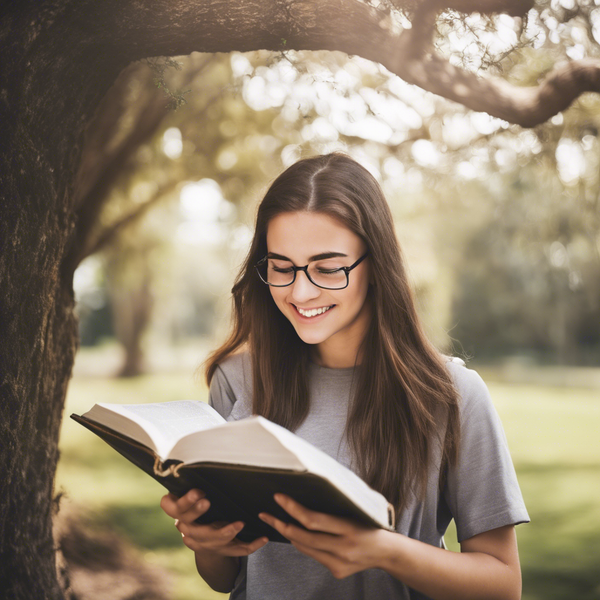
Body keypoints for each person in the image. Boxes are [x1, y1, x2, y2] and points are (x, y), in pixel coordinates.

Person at [160, 153, 529, 600]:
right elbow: (225, 579)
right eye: (282, 267)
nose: (300, 291)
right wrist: (207, 542)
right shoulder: (236, 380)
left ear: (375, 265)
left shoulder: (452, 396)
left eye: (328, 268)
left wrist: (384, 552)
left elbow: (503, 585)